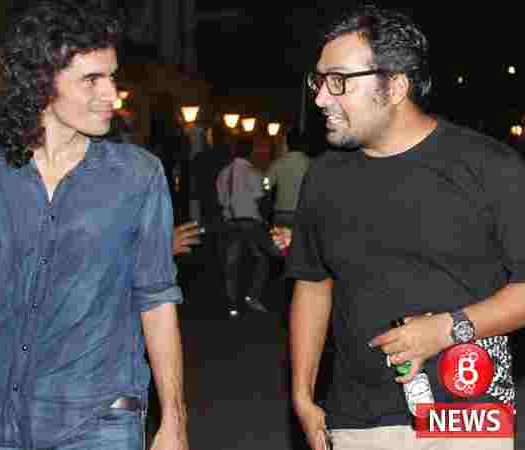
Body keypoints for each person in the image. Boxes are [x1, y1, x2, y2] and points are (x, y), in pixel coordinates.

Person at [0, 2, 188, 450]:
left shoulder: (137, 175)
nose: (112, 94)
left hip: (101, 417)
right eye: (92, 79)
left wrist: (175, 421)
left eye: (112, 77)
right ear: (41, 82)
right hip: (0, 420)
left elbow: (156, 299)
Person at [287, 5, 521, 450]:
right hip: (358, 418)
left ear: (394, 86)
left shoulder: (491, 168)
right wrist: (302, 394)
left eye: (338, 81)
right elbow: (313, 284)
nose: (320, 99)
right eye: (319, 81)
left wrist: (447, 329)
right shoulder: (324, 177)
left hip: (468, 416)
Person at [216, 139, 279, 316]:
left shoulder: (223, 173)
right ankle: (253, 296)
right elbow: (261, 199)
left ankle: (232, 304)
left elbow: (221, 201)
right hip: (251, 223)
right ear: (251, 152)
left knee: (232, 263)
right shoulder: (253, 173)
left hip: (231, 223)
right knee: (264, 258)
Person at [265, 126, 311, 228]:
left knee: (279, 238)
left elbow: (266, 184)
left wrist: (268, 193)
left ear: (287, 144)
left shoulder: (277, 163)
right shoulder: (310, 164)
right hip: (301, 213)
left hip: (281, 213)